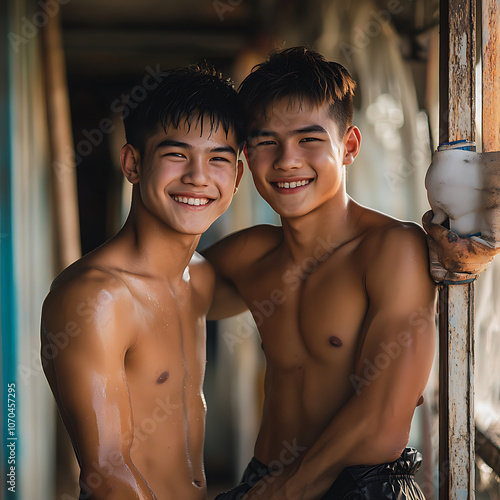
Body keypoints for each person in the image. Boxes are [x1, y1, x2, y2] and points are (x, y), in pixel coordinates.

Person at [203, 47, 436, 499]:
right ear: (246, 159)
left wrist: (284, 492)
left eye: (309, 139)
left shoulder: (391, 250)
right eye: (267, 142)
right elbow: (156, 290)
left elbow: (381, 420)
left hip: (364, 486)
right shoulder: (251, 257)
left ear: (348, 146)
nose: (287, 160)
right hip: (266, 476)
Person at [40, 66, 244, 500]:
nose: (198, 176)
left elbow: (310, 263)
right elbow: (108, 470)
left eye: (219, 159)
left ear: (238, 178)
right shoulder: (96, 297)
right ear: (133, 163)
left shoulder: (200, 279)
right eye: (176, 154)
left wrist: (426, 246)